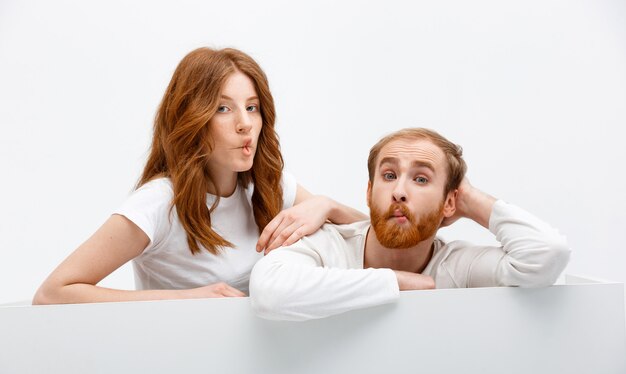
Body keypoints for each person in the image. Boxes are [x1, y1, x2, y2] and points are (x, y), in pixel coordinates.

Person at [33, 47, 365, 305]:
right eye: (223, 108)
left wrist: (327, 206)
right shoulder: (160, 201)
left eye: (252, 107)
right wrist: (185, 298)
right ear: (191, 118)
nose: (245, 124)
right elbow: (53, 293)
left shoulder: (268, 186)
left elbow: (372, 238)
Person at [250, 128, 571, 321]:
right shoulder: (330, 243)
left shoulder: (458, 266)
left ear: (449, 202)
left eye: (421, 178)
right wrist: (396, 282)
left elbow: (547, 254)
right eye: (388, 176)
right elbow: (268, 290)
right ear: (369, 191)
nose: (399, 191)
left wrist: (471, 199)